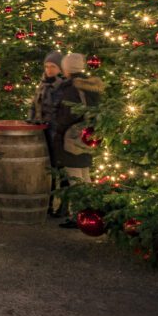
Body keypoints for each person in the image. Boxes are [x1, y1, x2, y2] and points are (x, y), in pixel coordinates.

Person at [53, 52, 105, 228]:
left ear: (67, 69)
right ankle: (90, 211)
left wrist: (58, 130)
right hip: (88, 136)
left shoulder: (71, 88)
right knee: (84, 173)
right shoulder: (92, 87)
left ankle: (78, 216)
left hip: (72, 137)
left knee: (75, 176)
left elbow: (67, 114)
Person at [30, 51, 64, 215]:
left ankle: (63, 206)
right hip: (42, 131)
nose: (49, 70)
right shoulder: (42, 84)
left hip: (57, 133)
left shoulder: (63, 86)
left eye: (53, 67)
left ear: (60, 68)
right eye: (47, 66)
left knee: (61, 170)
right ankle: (48, 204)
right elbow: (34, 105)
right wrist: (31, 121)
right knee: (48, 169)